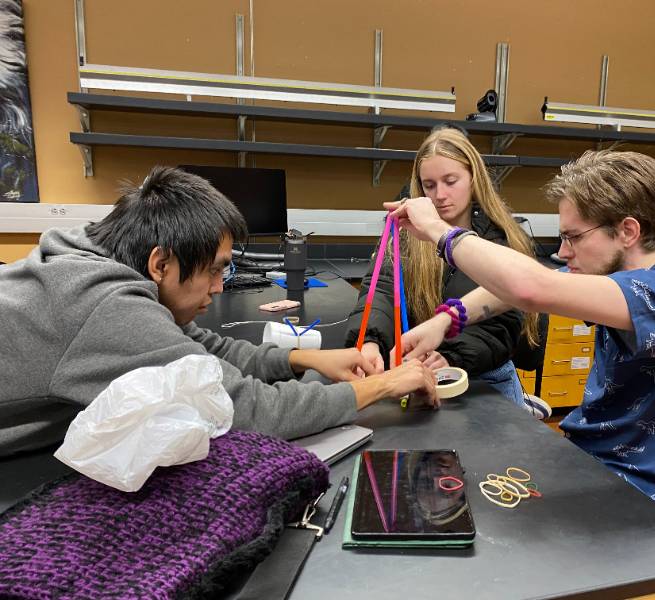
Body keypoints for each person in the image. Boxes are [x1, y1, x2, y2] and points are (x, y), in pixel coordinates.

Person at [386, 150, 655, 530]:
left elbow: (531, 286)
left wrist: (440, 232)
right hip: (596, 462)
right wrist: (447, 319)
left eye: (573, 237)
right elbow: (520, 287)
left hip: (654, 501)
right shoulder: (626, 279)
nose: (563, 251)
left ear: (627, 231)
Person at [0, 166, 437, 458]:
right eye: (212, 271)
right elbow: (246, 410)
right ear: (160, 263)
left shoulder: (96, 259)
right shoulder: (103, 306)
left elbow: (198, 348)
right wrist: (383, 385)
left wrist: (302, 358)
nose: (217, 287)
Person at [344, 127, 539, 409]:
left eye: (451, 181)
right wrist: (370, 342)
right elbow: (382, 290)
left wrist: (452, 356)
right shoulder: (405, 236)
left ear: (473, 178)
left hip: (485, 384)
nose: (440, 195)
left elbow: (502, 326)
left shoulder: (501, 239)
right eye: (429, 185)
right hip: (419, 376)